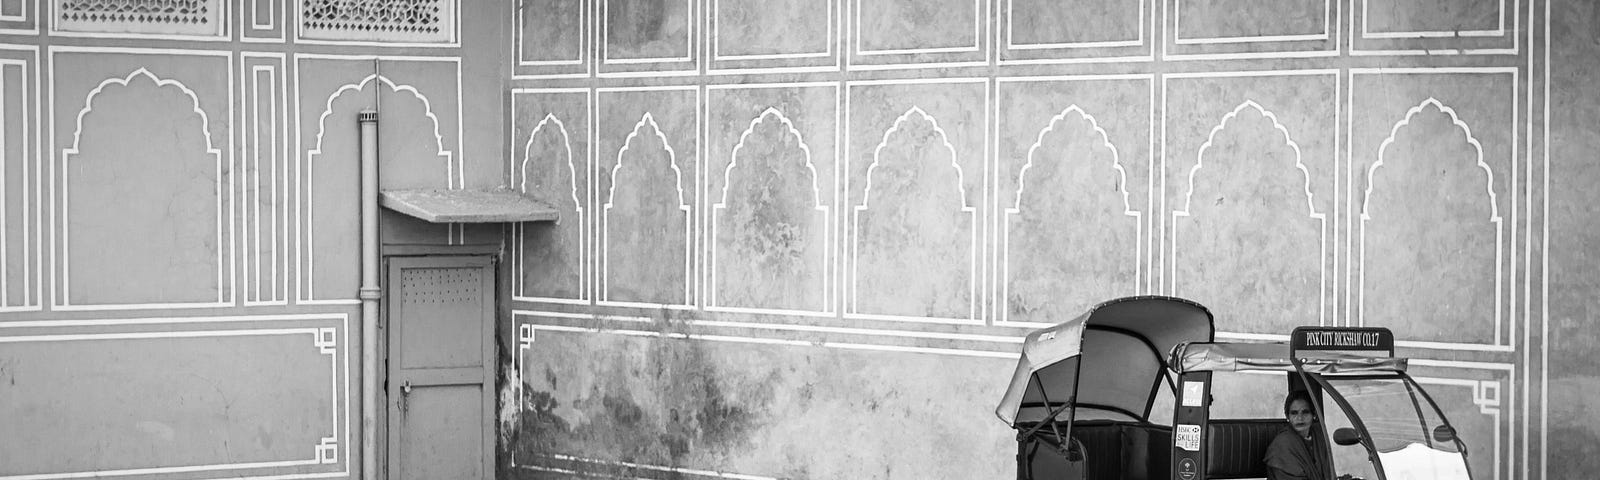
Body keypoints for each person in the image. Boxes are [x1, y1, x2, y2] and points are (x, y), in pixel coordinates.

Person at [1264, 390, 1328, 480]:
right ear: (1287, 416)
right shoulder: (1282, 445)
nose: (1300, 418)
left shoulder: (1320, 436)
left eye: (1305, 412)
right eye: (1294, 413)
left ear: (1313, 414)